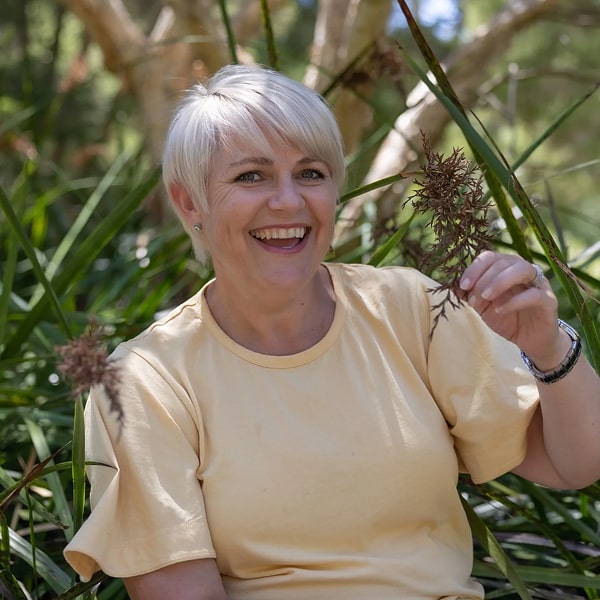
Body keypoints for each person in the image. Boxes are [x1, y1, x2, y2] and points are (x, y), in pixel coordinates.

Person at [64, 64, 600, 600]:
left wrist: (546, 346)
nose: (288, 201)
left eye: (311, 173)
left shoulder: (411, 308)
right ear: (189, 201)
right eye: (251, 176)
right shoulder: (145, 380)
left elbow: (573, 462)